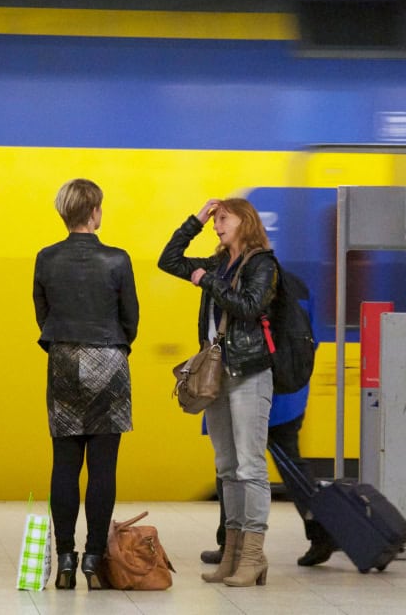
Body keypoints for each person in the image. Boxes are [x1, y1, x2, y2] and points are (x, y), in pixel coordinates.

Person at [159, 197, 277, 588]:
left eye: (222, 219)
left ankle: (252, 555)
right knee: (227, 467)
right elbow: (170, 260)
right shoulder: (217, 263)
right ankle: (231, 553)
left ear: (245, 220)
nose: (216, 226)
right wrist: (195, 218)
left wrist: (207, 281)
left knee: (250, 466)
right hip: (216, 379)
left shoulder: (262, 264)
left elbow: (248, 306)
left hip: (248, 374)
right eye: (214, 220)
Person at [32, 178, 139, 591]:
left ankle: (64, 562)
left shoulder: (46, 258)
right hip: (109, 360)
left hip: (63, 359)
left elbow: (42, 314)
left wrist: (66, 346)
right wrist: (111, 345)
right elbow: (130, 317)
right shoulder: (117, 259)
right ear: (94, 212)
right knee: (102, 467)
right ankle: (94, 561)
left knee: (64, 465)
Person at [199, 269, 336, 567]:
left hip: (259, 389)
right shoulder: (296, 282)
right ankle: (318, 530)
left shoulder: (243, 284)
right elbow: (312, 339)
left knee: (234, 465)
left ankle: (319, 530)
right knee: (283, 465)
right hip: (289, 390)